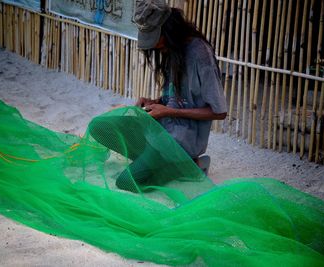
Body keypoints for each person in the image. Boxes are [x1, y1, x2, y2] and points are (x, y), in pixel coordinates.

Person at [90, 0, 227, 192]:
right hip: (160, 131)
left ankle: (187, 165)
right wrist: (156, 102)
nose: (154, 46)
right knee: (99, 126)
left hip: (180, 141)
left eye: (155, 37)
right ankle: (163, 164)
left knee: (126, 182)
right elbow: (177, 98)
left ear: (169, 30)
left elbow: (219, 112)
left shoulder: (199, 54)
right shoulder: (173, 49)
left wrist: (168, 111)